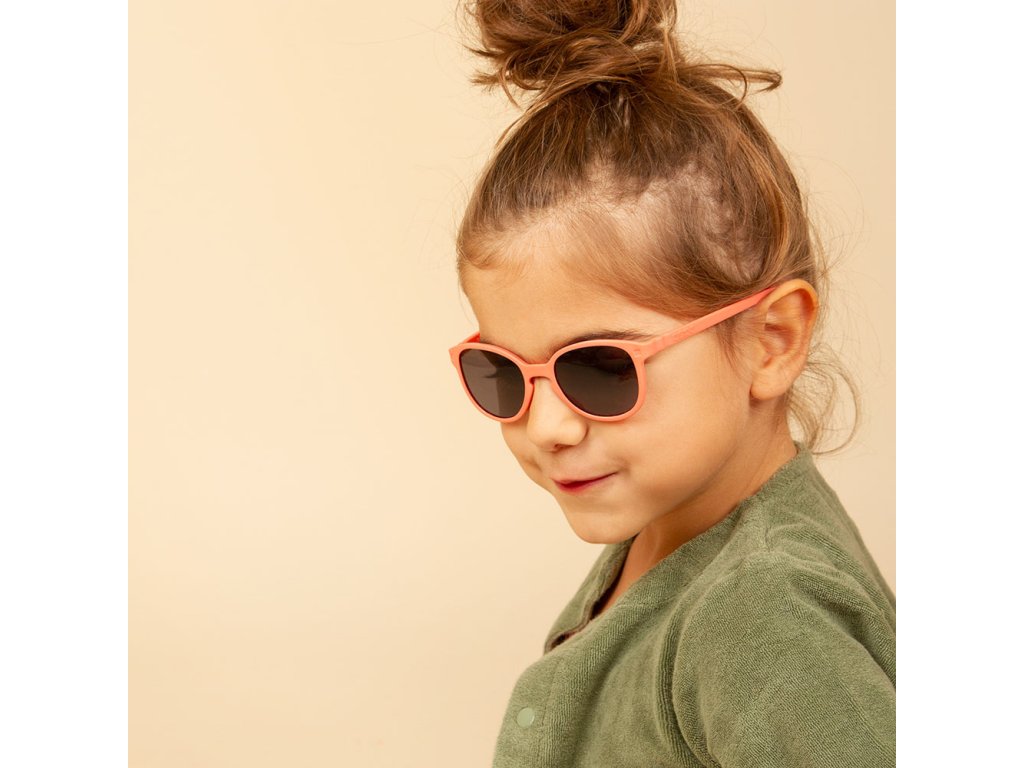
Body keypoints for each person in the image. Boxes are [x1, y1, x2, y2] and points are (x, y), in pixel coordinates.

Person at [446, 1, 895, 765]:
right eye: (503, 375)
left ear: (772, 341)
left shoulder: (764, 614)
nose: (546, 426)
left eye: (598, 368)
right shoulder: (667, 528)